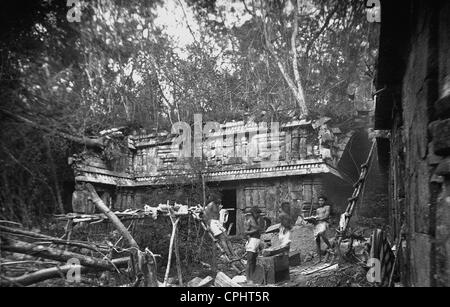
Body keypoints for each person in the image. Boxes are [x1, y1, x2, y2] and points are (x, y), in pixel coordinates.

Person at [244, 207, 264, 283]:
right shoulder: (249, 220)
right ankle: (248, 278)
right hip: (252, 240)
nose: (258, 215)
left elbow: (261, 229)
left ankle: (252, 277)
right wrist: (255, 230)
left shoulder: (258, 220)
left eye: (259, 213)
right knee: (250, 260)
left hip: (257, 240)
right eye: (257, 213)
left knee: (254, 260)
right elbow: (245, 232)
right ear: (254, 213)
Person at [310, 196, 332, 262]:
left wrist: (318, 219)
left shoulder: (327, 207)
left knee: (322, 233)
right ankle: (319, 259)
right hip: (318, 224)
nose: (320, 202)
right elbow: (316, 217)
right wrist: (312, 220)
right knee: (317, 240)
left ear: (324, 201)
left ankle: (330, 247)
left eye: (322, 200)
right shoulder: (318, 209)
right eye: (319, 200)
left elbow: (326, 216)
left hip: (324, 223)